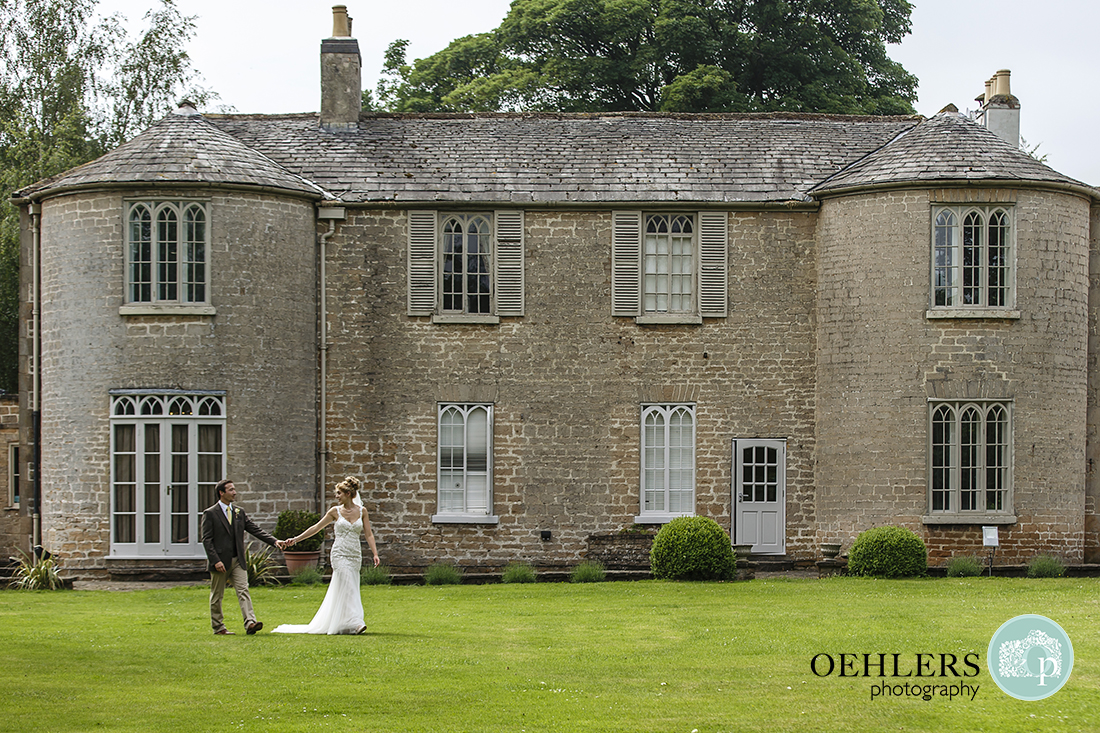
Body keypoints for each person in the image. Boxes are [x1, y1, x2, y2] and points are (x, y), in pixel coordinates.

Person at [273, 476, 380, 635]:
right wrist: (295, 540)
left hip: (354, 554)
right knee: (348, 585)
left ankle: (343, 622)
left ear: (349, 493)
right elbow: (316, 528)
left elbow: (369, 534)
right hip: (339, 554)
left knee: (350, 586)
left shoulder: (362, 511)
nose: (336, 496)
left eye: (339, 493)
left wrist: (375, 553)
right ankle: (356, 622)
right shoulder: (335, 512)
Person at [200, 479, 286, 635]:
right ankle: (218, 627)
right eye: (231, 490)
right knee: (217, 595)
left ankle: (250, 623)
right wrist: (216, 560)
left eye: (234, 489)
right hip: (220, 562)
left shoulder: (239, 512)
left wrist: (275, 541)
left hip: (238, 560)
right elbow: (207, 540)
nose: (235, 492)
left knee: (243, 590)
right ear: (221, 493)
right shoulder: (210, 513)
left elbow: (255, 529)